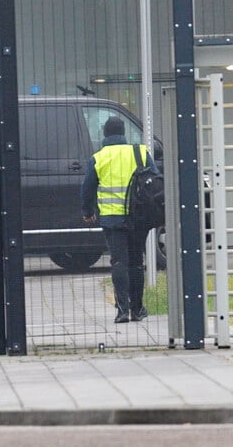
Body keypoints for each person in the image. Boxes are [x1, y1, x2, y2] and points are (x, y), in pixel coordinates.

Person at [80, 116, 153, 323]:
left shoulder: (99, 157)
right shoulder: (139, 152)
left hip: (113, 219)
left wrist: (87, 211)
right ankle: (138, 309)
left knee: (119, 261)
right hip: (138, 218)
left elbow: (87, 188)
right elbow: (154, 180)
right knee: (137, 262)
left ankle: (122, 311)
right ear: (123, 133)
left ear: (105, 134)